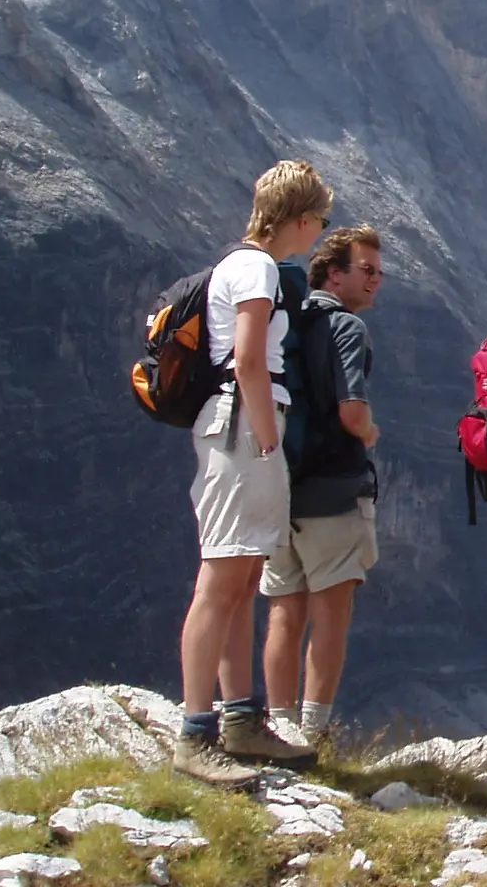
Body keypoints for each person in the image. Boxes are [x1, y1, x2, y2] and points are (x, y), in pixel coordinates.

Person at [174, 160, 331, 787]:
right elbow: (247, 357)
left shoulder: (243, 265)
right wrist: (268, 438)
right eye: (319, 218)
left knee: (240, 579)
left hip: (235, 425)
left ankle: (239, 719)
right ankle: (196, 731)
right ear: (299, 218)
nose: (320, 231)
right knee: (220, 580)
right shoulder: (259, 268)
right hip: (244, 426)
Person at [261, 226, 385, 744]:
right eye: (367, 271)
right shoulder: (347, 329)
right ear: (334, 273)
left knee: (284, 609)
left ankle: (277, 725)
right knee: (331, 612)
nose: (376, 282)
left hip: (279, 485)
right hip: (333, 491)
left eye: (379, 273)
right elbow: (351, 410)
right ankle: (314, 733)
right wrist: (370, 430)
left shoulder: (288, 323)